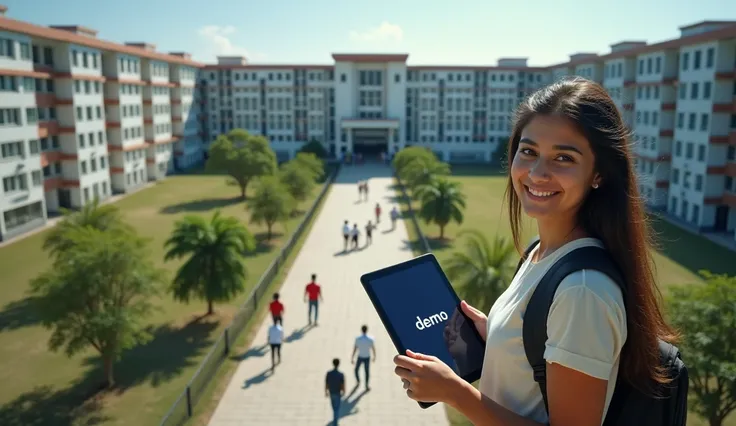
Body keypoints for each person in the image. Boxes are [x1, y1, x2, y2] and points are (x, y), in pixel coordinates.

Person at [392, 78, 677, 425]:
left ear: (598, 174)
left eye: (563, 157)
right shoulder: (540, 253)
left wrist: (456, 393)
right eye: (528, 152)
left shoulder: (583, 290)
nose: (538, 173)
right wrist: (497, 334)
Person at [352, 325, 376, 390]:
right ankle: (366, 385)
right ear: (367, 330)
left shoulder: (358, 339)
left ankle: (358, 381)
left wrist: (352, 357)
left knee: (356, 370)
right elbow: (373, 348)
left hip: (360, 356)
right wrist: (374, 356)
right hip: (367, 357)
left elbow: (355, 348)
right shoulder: (370, 339)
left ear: (361, 330)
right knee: (367, 372)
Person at [325, 358, 345, 425]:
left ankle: (335, 420)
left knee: (334, 407)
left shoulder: (329, 373)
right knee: (336, 408)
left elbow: (326, 383)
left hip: (331, 392)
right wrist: (343, 391)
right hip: (337, 392)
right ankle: (335, 422)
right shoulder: (341, 374)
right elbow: (342, 384)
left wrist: (326, 391)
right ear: (338, 364)